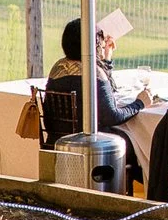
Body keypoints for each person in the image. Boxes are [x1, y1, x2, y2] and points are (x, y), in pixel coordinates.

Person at [44, 17, 151, 181]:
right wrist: (140, 103)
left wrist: (106, 58)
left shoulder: (57, 68)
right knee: (140, 142)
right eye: (99, 44)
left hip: (58, 141)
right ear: (91, 46)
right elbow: (112, 116)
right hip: (92, 146)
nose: (101, 46)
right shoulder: (94, 73)